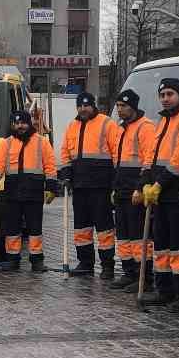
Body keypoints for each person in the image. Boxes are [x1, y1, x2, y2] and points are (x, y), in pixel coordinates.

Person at [138, 78, 179, 307]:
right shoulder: (163, 121)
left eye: (170, 94)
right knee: (160, 244)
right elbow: (152, 153)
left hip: (176, 189)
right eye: (162, 95)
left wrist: (160, 183)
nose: (165, 98)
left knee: (178, 246)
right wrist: (145, 180)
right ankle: (163, 290)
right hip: (158, 191)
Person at [57, 92, 121, 279]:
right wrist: (67, 173)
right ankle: (85, 262)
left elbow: (117, 152)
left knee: (104, 228)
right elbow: (66, 152)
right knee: (81, 228)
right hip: (80, 184)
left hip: (101, 185)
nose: (83, 109)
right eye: (80, 106)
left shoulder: (107, 123)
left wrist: (115, 178)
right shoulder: (72, 126)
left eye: (86, 105)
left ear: (93, 105)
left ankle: (108, 265)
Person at [0, 109, 59, 271]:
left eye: (23, 123)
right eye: (16, 123)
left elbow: (50, 166)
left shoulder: (42, 142)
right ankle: (13, 259)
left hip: (33, 191)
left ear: (29, 124)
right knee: (12, 227)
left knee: (35, 228)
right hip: (12, 191)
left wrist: (51, 188)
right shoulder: (7, 143)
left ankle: (37, 260)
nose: (20, 126)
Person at [109, 89, 157, 290]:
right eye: (118, 106)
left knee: (139, 237)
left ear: (133, 107)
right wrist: (115, 187)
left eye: (124, 106)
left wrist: (140, 186)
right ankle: (129, 272)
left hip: (135, 187)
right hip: (121, 186)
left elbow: (148, 160)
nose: (120, 110)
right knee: (124, 235)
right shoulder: (122, 128)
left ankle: (143, 277)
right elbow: (118, 160)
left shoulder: (145, 127)